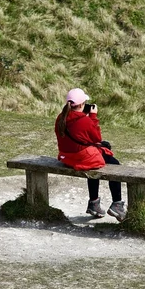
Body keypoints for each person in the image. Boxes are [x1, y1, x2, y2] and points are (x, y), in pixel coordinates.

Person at [55, 88, 127, 221]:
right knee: (114, 164)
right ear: (82, 104)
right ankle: (116, 204)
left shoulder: (61, 117)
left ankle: (94, 203)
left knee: (92, 164)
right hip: (81, 157)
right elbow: (96, 138)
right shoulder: (84, 121)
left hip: (67, 157)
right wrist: (93, 117)